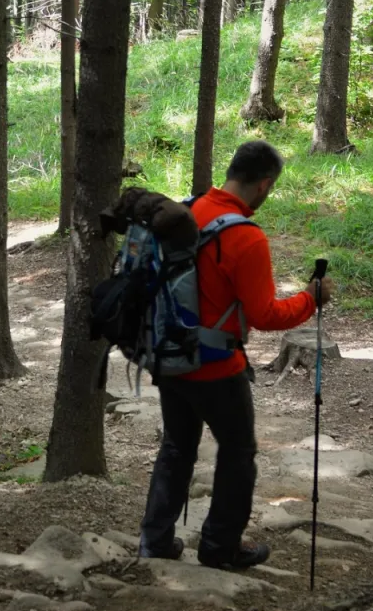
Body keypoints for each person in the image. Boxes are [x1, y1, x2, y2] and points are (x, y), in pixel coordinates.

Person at [138, 140, 336, 569]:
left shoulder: (186, 210)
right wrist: (310, 298)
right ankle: (219, 548)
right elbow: (265, 315)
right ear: (264, 184)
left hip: (169, 355)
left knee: (176, 448)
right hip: (216, 367)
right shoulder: (245, 237)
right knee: (238, 454)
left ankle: (154, 541)